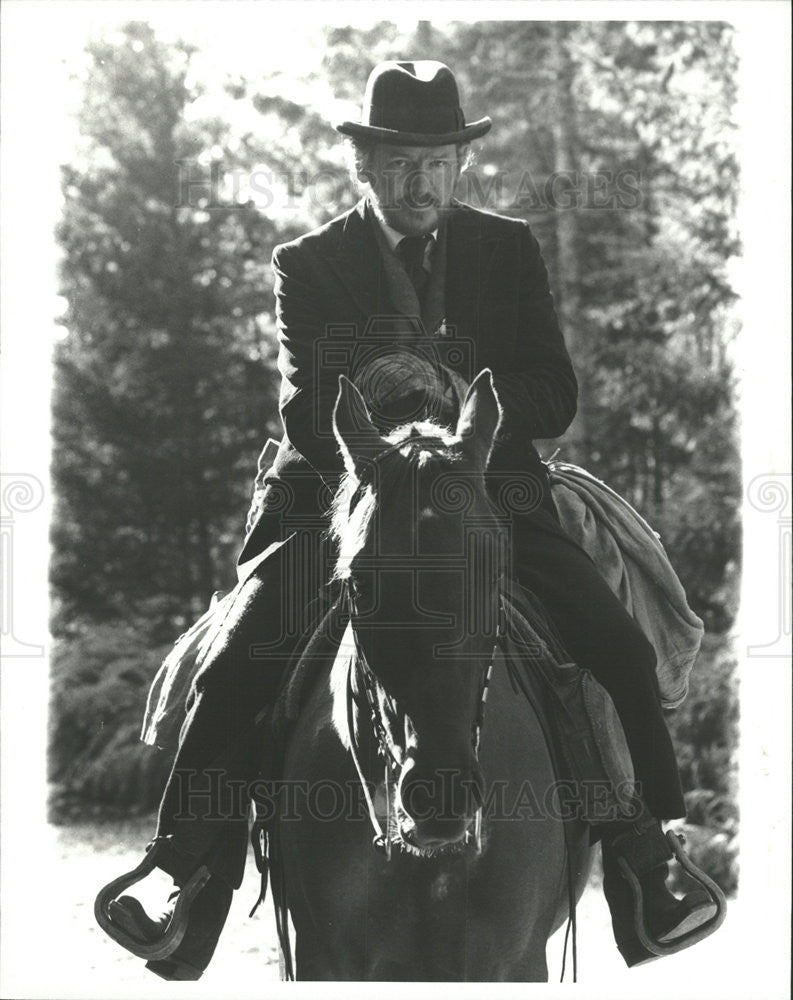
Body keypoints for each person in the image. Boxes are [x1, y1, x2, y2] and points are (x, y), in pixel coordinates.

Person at [105, 60, 720, 978]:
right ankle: (181, 867)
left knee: (609, 640)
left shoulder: (507, 250)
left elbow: (552, 391)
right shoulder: (307, 265)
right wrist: (397, 406)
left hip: (487, 489)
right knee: (236, 656)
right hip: (338, 494)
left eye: (435, 160)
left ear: (458, 164)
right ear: (366, 164)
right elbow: (305, 414)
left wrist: (462, 409)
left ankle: (647, 854)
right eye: (399, 161)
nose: (419, 179)